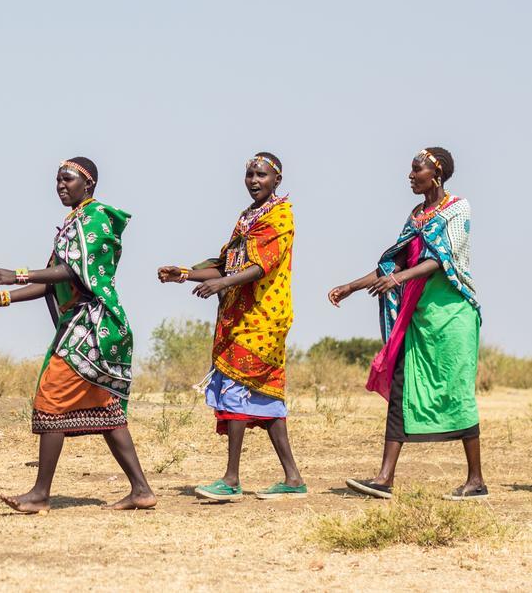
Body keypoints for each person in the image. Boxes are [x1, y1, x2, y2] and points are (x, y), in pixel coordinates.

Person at [0, 157, 156, 512]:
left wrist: (18, 274)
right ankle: (141, 490)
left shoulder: (96, 219)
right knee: (105, 408)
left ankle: (40, 493)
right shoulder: (73, 223)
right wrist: (4, 298)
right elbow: (51, 279)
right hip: (83, 324)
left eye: (67, 179)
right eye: (57, 179)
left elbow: (71, 273)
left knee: (51, 397)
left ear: (88, 185)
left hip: (94, 326)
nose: (60, 185)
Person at [328, 147, 485, 501]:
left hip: (453, 316)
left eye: (417, 170)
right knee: (401, 387)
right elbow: (394, 263)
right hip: (418, 319)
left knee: (456, 391)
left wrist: (399, 279)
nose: (411, 176)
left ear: (437, 172)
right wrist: (351, 287)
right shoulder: (416, 215)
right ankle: (384, 478)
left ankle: (475, 480)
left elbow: (442, 261)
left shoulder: (458, 209)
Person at [156, 152, 305, 502]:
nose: (254, 181)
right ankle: (294, 478)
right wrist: (185, 273)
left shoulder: (280, 217)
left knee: (236, 389)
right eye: (250, 174)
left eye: (262, 175)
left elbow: (260, 267)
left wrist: (221, 285)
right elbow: (227, 264)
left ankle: (231, 478)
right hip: (240, 314)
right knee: (265, 398)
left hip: (263, 316)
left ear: (277, 181)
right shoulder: (247, 219)